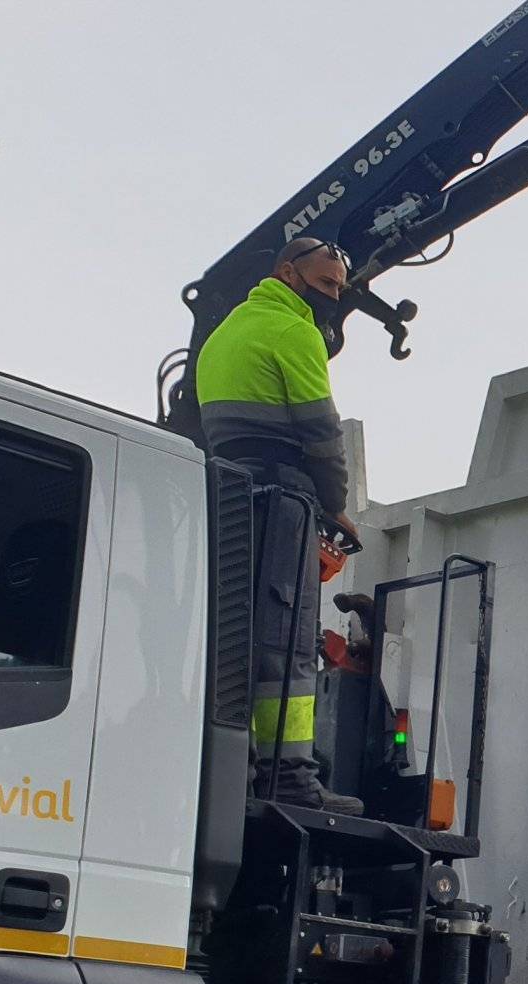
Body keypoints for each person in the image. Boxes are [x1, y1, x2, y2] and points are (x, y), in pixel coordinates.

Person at [195, 236, 367, 815]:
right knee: (287, 642)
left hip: (229, 494)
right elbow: (321, 432)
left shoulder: (225, 334)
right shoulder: (295, 333)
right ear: (287, 273)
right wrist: (335, 503)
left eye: (339, 289)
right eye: (325, 285)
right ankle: (289, 776)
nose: (333, 299)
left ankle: (234, 765)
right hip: (281, 499)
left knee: (234, 635)